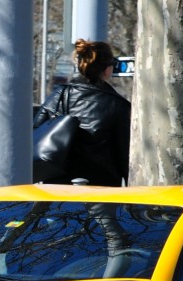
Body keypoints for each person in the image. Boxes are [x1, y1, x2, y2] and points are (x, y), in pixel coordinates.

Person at [34, 39, 132, 186]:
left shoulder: (60, 95)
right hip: (102, 187)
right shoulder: (119, 105)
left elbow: (37, 130)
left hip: (59, 183)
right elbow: (124, 155)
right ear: (107, 69)